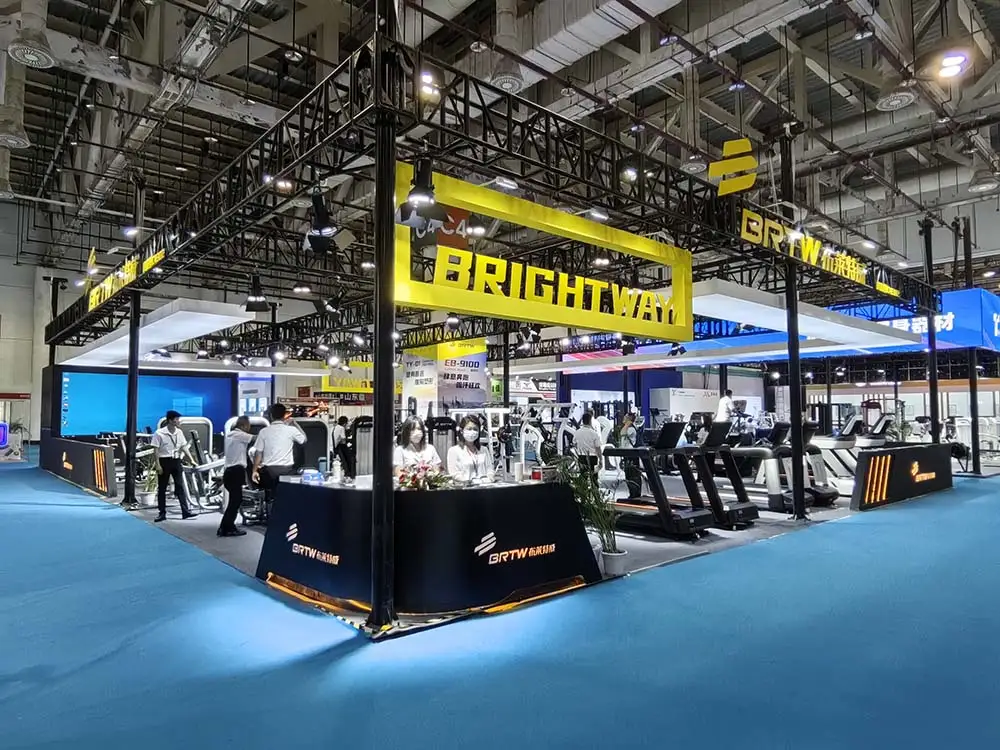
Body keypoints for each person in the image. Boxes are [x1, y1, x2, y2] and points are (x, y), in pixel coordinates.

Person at [252, 404, 306, 498]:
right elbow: (304, 439)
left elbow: (258, 453)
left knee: (269, 493)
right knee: (287, 496)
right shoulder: (291, 430)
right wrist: (295, 424)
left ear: (271, 415)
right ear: (284, 415)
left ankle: (268, 503)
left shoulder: (264, 431)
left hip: (269, 472)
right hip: (287, 471)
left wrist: (254, 471)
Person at [151, 410, 196, 522]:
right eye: (176, 419)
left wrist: (191, 460)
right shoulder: (159, 433)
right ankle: (162, 513)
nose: (178, 421)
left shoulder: (179, 432)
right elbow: (155, 450)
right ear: (170, 420)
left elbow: (184, 447)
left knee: (180, 486)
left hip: (176, 461)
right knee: (162, 488)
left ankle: (185, 511)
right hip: (164, 461)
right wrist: (158, 465)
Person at [218, 416, 253, 537]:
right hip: (236, 471)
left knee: (234, 501)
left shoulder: (230, 435)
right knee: (235, 501)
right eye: (248, 426)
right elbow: (256, 438)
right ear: (244, 425)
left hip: (229, 472)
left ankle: (226, 527)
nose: (249, 428)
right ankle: (226, 528)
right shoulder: (240, 435)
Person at [447, 415, 495, 484]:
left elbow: (490, 469)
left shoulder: (484, 450)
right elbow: (454, 474)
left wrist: (489, 479)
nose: (472, 432)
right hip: (465, 487)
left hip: (484, 487)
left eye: (475, 429)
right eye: (469, 429)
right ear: (461, 430)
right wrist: (470, 482)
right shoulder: (454, 451)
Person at [618, 412, 642, 499]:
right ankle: (632, 493)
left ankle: (635, 494)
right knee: (628, 475)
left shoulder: (630, 429)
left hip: (631, 454)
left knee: (632, 475)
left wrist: (628, 424)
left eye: (625, 417)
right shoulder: (628, 428)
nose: (623, 418)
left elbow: (622, 433)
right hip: (627, 454)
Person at [333, 415, 355, 482]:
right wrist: (350, 442)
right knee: (348, 459)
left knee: (344, 460)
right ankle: (348, 475)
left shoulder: (336, 427)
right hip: (340, 446)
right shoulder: (342, 428)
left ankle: (346, 475)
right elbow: (343, 440)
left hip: (336, 446)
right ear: (344, 423)